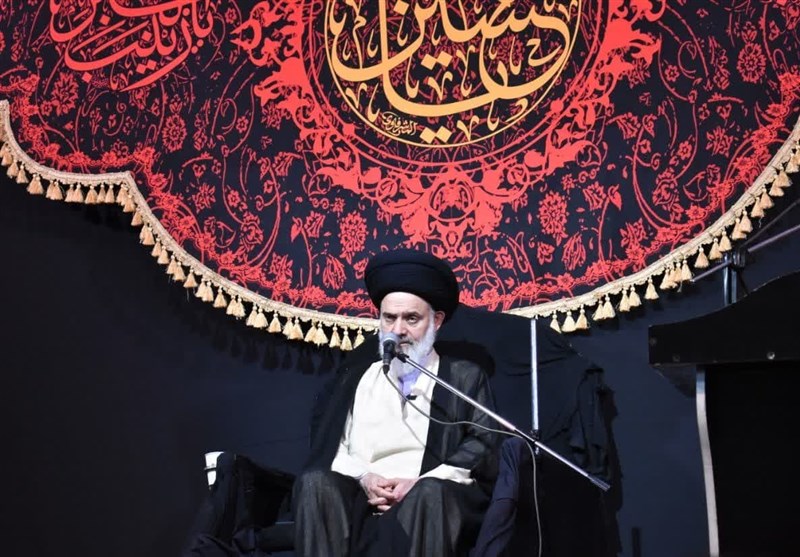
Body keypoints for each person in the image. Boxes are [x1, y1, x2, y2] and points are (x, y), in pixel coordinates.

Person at [292, 247, 500, 556]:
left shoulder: (462, 377)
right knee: (314, 483)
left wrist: (419, 482)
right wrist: (365, 478)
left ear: (436, 321)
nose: (398, 330)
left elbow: (483, 444)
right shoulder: (357, 377)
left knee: (432, 494)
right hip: (360, 496)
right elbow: (333, 446)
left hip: (429, 497)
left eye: (411, 318)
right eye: (389, 318)